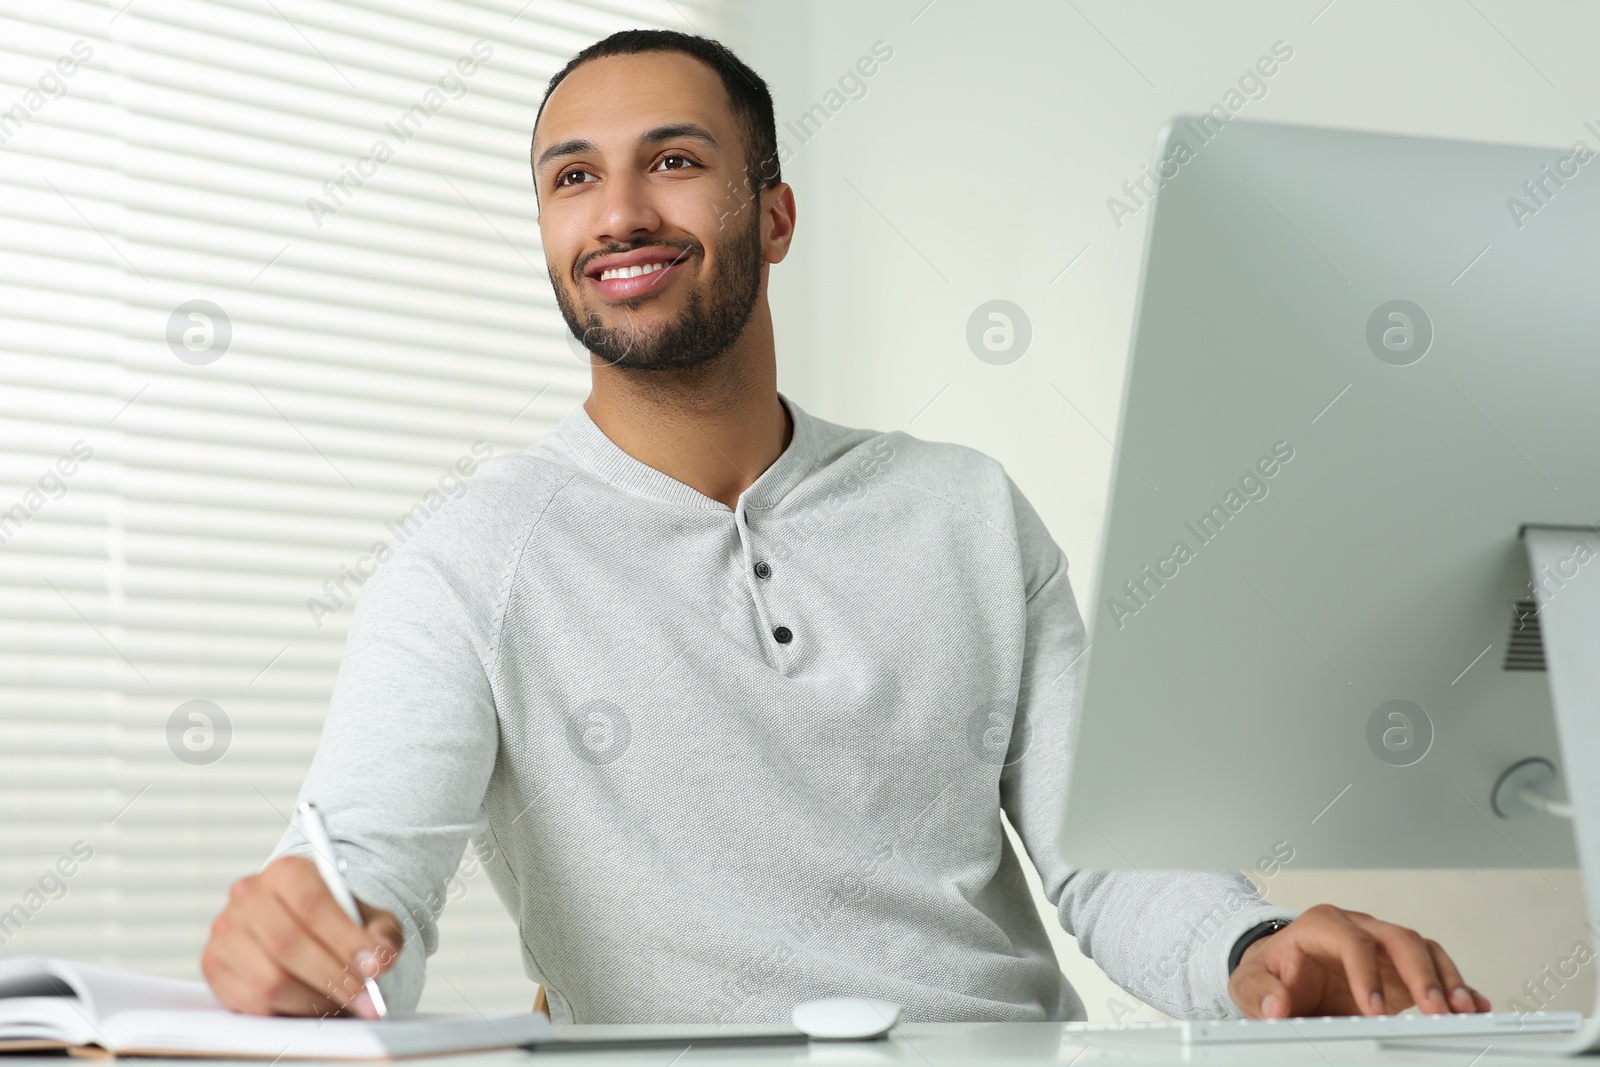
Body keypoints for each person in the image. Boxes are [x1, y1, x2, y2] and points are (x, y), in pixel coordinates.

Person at [199, 29, 1493, 1026]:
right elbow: (370, 869)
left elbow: (1105, 869)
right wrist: (315, 943)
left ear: (774, 213)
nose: (622, 212)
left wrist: (1252, 951)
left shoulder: (965, 510)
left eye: (676, 159)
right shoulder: (468, 556)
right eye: (572, 177)